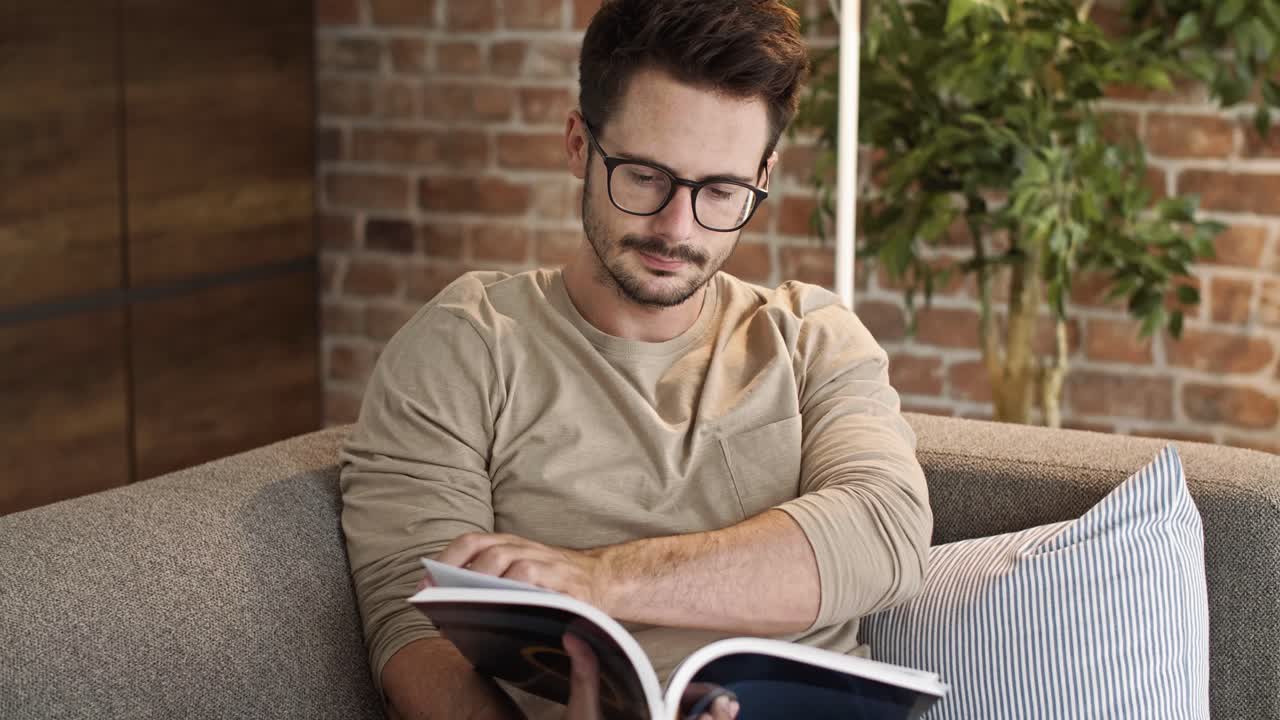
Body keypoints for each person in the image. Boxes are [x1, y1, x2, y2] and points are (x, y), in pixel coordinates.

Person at [338, 1, 933, 718]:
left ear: (764, 174)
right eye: (646, 177)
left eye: (720, 191)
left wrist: (602, 583)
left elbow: (884, 534)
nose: (676, 228)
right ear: (578, 145)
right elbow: (414, 631)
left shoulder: (812, 337)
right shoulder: (466, 347)